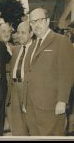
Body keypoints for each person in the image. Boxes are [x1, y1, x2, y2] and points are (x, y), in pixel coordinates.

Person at [20, 7, 74, 136]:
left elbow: (67, 74)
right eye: (32, 22)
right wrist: (25, 102)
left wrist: (62, 100)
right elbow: (29, 74)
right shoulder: (32, 46)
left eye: (39, 20)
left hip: (51, 107)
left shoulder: (61, 41)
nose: (35, 25)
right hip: (32, 107)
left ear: (48, 21)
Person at [9, 21, 34, 136]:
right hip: (15, 88)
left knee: (31, 122)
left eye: (23, 32)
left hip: (28, 88)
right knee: (17, 124)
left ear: (31, 33)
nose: (19, 35)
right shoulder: (16, 49)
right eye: (18, 32)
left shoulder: (36, 49)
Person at [0, 22, 13, 133]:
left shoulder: (13, 47)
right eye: (3, 31)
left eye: (8, 31)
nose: (6, 33)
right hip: (1, 84)